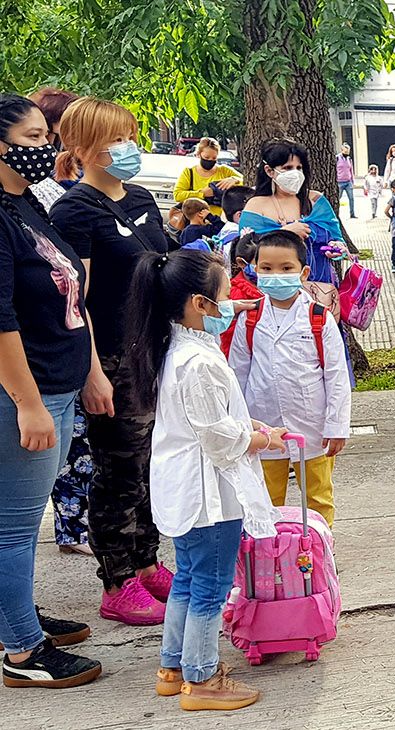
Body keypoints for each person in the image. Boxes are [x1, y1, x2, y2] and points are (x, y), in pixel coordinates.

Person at [120, 248, 283, 712]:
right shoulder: (200, 362)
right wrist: (263, 439)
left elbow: (208, 424)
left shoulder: (177, 350)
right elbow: (217, 438)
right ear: (199, 304)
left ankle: (173, 667)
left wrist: (250, 432)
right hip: (209, 494)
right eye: (225, 296)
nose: (230, 303)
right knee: (209, 586)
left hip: (187, 488)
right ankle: (202, 676)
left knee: (190, 580)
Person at [50, 96, 174, 626]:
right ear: (79, 148)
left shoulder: (142, 196)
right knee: (118, 469)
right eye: (113, 139)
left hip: (157, 351)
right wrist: (93, 371)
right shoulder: (74, 211)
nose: (126, 148)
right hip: (114, 359)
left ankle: (146, 561)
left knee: (153, 465)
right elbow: (74, 300)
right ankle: (117, 578)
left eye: (129, 135)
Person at [0, 93, 101, 690]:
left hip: (60, 382)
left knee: (21, 520)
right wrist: (29, 402)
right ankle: (21, 650)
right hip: (26, 393)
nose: (48, 150)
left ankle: (17, 615)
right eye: (36, 140)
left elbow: (71, 297)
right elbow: (2, 320)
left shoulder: (26, 204)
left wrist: (89, 371)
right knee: (12, 528)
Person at [229, 231, 350, 527]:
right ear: (254, 269)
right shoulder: (250, 317)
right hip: (263, 424)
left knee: (318, 497)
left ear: (303, 272)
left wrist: (337, 425)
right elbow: (237, 373)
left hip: (312, 425)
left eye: (286, 269)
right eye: (267, 269)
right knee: (266, 497)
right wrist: (238, 422)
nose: (276, 275)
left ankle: (321, 555)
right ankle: (270, 557)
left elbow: (336, 375)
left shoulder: (319, 317)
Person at [240, 139, 345, 319]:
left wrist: (338, 248)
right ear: (269, 171)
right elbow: (246, 253)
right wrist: (286, 233)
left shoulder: (316, 201)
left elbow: (337, 238)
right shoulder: (255, 206)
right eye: (288, 168)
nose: (295, 173)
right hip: (276, 298)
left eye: (299, 168)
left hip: (321, 293)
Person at [173, 138, 242, 218]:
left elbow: (246, 182)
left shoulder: (224, 171)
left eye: (214, 158)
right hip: (196, 222)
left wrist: (235, 179)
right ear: (199, 154)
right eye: (206, 157)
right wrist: (201, 194)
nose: (210, 161)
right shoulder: (189, 172)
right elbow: (178, 195)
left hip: (220, 221)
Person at [219, 233, 262, 356]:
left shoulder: (267, 289)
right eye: (264, 265)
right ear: (241, 263)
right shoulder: (236, 294)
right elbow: (228, 340)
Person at [336, 143, 356, 219]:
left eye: (348, 151)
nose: (347, 152)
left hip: (348, 181)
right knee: (338, 198)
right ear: (342, 150)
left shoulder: (349, 159)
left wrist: (352, 181)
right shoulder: (337, 158)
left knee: (351, 198)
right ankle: (337, 214)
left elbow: (351, 170)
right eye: (345, 151)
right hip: (340, 181)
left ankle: (352, 214)